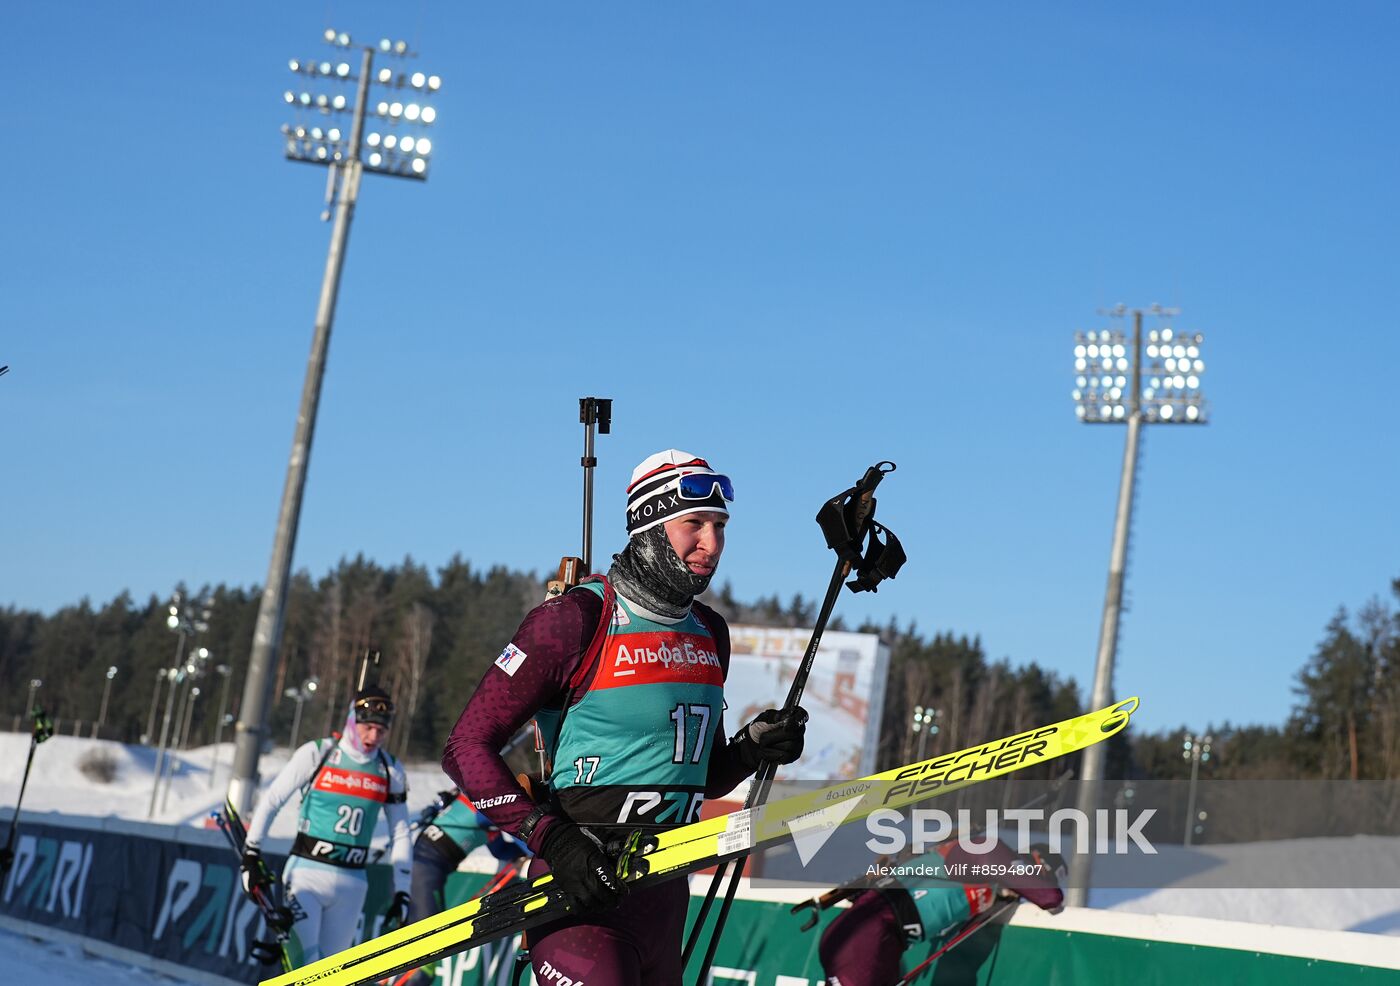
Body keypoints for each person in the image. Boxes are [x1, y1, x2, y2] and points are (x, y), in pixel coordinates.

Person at [442, 449, 808, 986]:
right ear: (652, 526)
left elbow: (695, 779)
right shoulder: (574, 619)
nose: (712, 544)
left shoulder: (710, 632)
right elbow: (466, 746)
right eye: (695, 524)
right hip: (580, 894)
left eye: (721, 526)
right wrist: (548, 838)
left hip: (664, 899)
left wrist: (754, 748)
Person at [241, 685, 413, 965]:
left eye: (381, 731)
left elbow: (401, 832)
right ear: (351, 720)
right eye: (367, 727)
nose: (373, 737)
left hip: (353, 882)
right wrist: (251, 853)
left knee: (334, 975)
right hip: (307, 874)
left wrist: (402, 890)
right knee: (305, 968)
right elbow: (272, 800)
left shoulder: (389, 768)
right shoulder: (317, 753)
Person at [817, 839, 1064, 986]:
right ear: (1030, 863)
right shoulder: (984, 849)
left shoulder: (989, 890)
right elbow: (1048, 896)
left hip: (881, 944)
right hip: (864, 940)